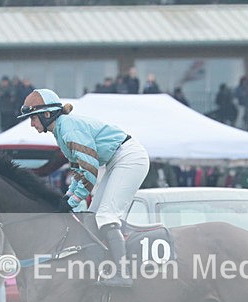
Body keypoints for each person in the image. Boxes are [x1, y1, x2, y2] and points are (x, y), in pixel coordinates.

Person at [17, 88, 150, 287]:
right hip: (115, 160)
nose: (31, 124)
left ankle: (123, 273)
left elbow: (89, 169)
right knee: (92, 217)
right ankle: (104, 270)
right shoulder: (60, 130)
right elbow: (79, 171)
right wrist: (68, 197)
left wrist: (73, 200)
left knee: (106, 216)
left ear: (46, 115)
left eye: (33, 118)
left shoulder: (68, 128)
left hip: (129, 158)